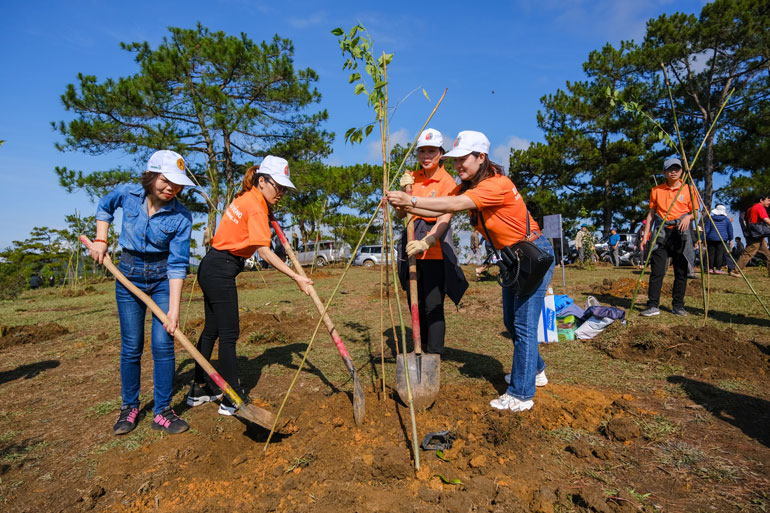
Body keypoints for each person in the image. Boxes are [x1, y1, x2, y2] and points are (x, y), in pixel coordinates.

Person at [387, 130, 555, 413]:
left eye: (464, 159)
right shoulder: (473, 185)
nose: (458, 165)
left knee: (524, 326)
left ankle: (521, 394)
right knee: (512, 323)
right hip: (511, 259)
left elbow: (453, 204)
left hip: (530, 257)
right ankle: (535, 370)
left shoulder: (495, 185)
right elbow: (445, 211)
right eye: (456, 160)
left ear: (481, 157)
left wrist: (412, 202)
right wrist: (409, 196)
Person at [186, 156, 313, 416]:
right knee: (229, 334)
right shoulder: (256, 207)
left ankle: (200, 388)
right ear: (262, 181)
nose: (282, 193)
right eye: (278, 187)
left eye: (285, 189)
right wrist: (297, 277)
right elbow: (265, 253)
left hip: (209, 265)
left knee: (211, 330)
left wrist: (267, 210)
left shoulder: (245, 197)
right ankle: (231, 397)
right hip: (220, 270)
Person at [90, 150, 194, 435]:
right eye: (165, 180)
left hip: (161, 279)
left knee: (163, 344)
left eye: (177, 183)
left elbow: (177, 265)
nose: (171, 188)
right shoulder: (128, 194)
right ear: (151, 176)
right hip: (127, 274)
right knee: (132, 345)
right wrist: (101, 238)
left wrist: (174, 310)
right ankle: (129, 407)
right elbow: (104, 207)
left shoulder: (182, 217)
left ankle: (162, 410)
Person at [396, 128, 468, 356]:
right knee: (414, 303)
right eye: (422, 151)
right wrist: (401, 192)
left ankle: (434, 354)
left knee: (432, 305)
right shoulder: (412, 178)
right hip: (410, 249)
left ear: (441, 153)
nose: (426, 156)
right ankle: (420, 348)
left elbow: (444, 219)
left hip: (434, 252)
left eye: (431, 151)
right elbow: (400, 214)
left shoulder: (448, 182)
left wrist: (427, 242)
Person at [640, 157, 699, 317]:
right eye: (669, 169)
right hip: (661, 233)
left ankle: (678, 305)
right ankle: (653, 305)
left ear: (681, 171)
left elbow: (695, 212)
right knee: (657, 271)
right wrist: (645, 237)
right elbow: (651, 215)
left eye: (676, 169)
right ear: (664, 172)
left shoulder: (689, 189)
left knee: (681, 272)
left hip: (681, 234)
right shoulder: (656, 190)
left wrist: (688, 217)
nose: (673, 172)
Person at [737, 194, 770, 275]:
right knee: (748, 253)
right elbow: (767, 220)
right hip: (756, 236)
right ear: (761, 200)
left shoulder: (750, 209)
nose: (769, 202)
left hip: (754, 235)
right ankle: (735, 271)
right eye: (768, 200)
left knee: (767, 255)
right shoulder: (760, 207)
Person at [704, 204, 732, 274]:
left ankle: (710, 268)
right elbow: (730, 230)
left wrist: (702, 238)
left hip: (711, 238)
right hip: (722, 239)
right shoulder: (726, 220)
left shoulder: (710, 219)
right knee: (720, 254)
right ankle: (718, 269)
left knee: (711, 254)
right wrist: (730, 238)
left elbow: (706, 229)